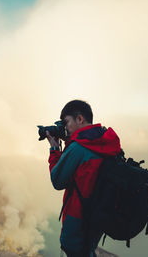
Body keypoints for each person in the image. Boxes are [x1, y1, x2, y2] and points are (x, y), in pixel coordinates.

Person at [46, 100, 121, 257]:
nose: (65, 128)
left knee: (73, 250)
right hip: (97, 217)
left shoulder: (78, 148)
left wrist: (54, 149)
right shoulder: (105, 142)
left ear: (79, 119)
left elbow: (58, 181)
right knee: (88, 251)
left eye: (66, 122)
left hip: (77, 220)